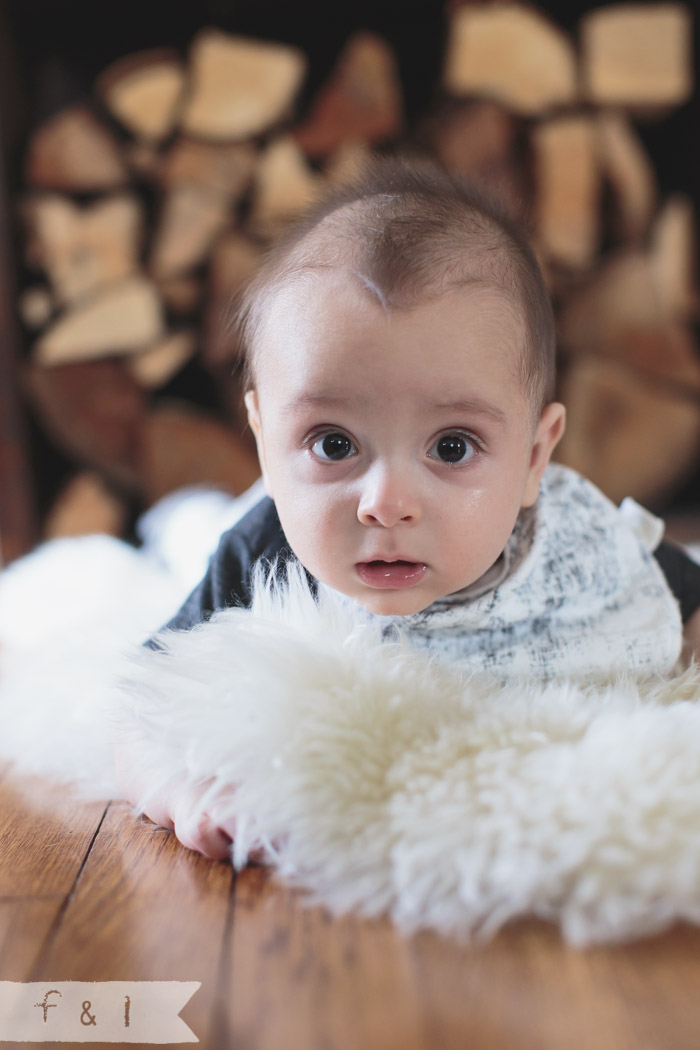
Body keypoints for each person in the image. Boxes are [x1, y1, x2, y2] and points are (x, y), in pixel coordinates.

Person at [115, 155, 700, 860]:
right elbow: (139, 711)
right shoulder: (264, 552)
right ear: (264, 442)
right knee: (190, 531)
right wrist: (178, 790)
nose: (385, 504)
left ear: (534, 459)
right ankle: (182, 516)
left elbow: (686, 609)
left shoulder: (583, 545)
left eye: (452, 448)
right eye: (334, 444)